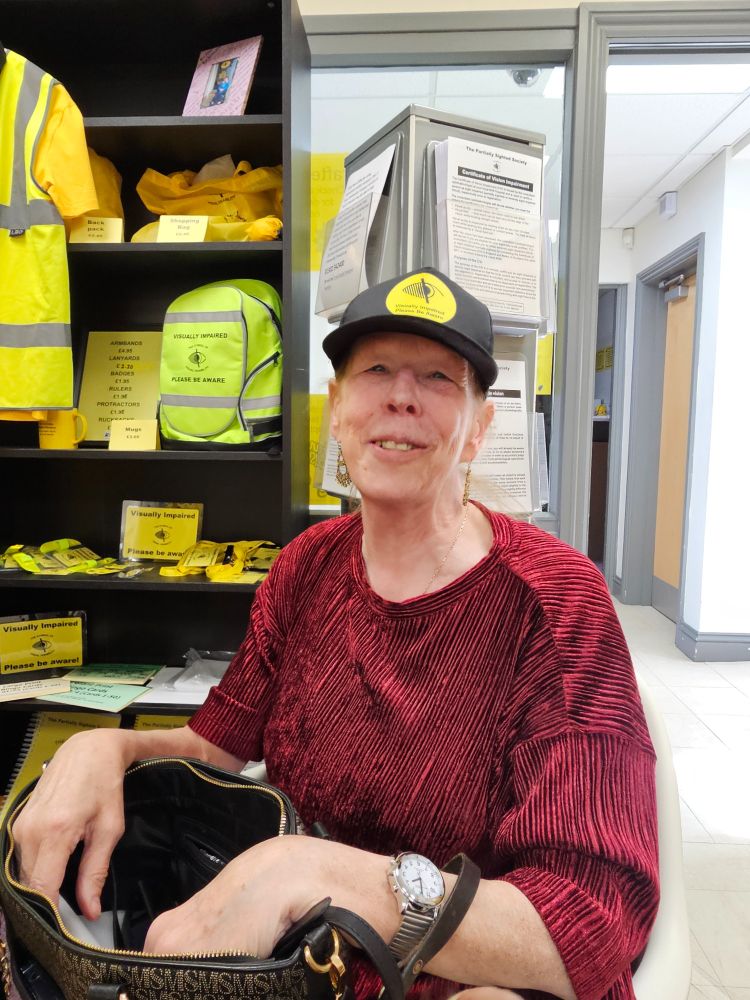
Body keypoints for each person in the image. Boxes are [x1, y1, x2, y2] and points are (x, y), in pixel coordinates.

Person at [13, 268, 659, 1000]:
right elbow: (216, 748)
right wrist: (107, 746)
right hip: (296, 967)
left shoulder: (555, 602)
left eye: (439, 378)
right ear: (336, 410)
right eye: (375, 370)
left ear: (480, 426)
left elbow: (592, 927)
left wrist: (315, 872)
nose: (401, 396)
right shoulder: (306, 567)